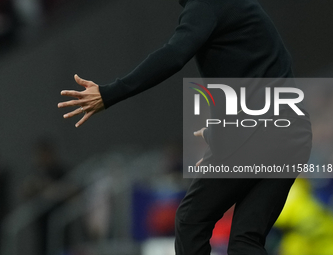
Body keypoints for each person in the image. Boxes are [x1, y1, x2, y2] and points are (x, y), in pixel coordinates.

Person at [58, 0, 312, 254]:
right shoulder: (237, 7)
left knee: (191, 220)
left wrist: (109, 93)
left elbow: (174, 55)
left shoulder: (206, 4)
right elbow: (263, 72)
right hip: (292, 135)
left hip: (260, 132)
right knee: (246, 240)